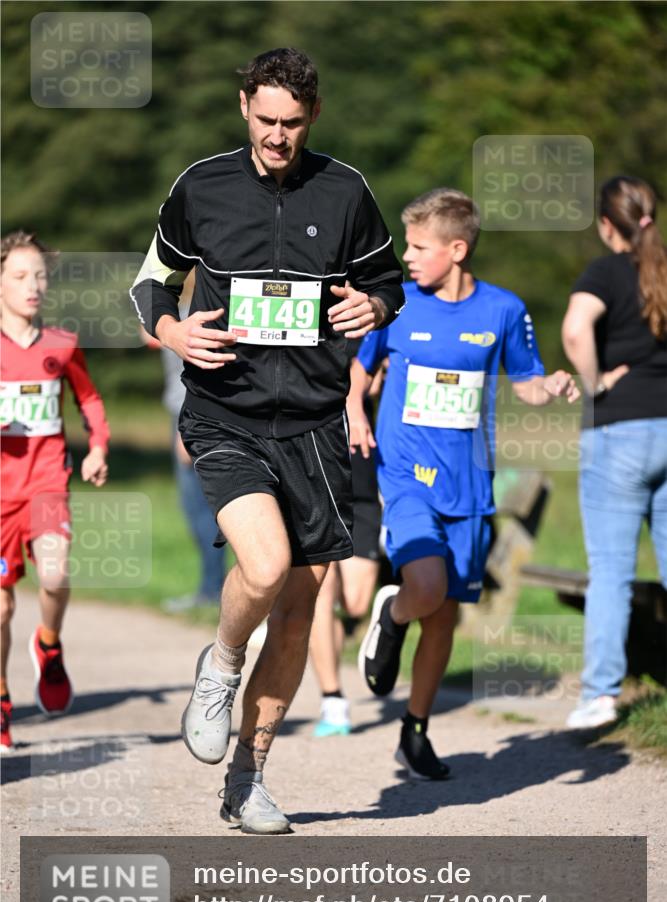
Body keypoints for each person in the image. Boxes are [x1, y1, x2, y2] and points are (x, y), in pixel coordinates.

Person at [130, 48, 404, 832]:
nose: (277, 137)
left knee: (296, 612)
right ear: (243, 105)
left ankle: (247, 777)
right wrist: (171, 328)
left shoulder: (345, 190)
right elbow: (149, 281)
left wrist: (374, 310)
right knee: (267, 563)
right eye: (264, 119)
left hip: (315, 425)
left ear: (311, 116)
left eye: (291, 123)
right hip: (225, 412)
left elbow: (386, 282)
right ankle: (219, 664)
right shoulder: (202, 185)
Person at [350, 188, 579, 779]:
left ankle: (415, 730)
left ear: (457, 249)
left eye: (419, 245)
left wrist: (549, 384)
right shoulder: (395, 303)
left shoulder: (502, 309)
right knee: (423, 586)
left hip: (471, 485)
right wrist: (354, 409)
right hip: (405, 475)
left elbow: (524, 379)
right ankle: (393, 615)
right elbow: (361, 368)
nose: (407, 255)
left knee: (446, 618)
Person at [561, 175, 667, 729]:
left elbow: (576, 328)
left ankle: (601, 695)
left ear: (608, 224)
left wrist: (596, 382)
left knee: (610, 571)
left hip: (619, 432)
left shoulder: (604, 272)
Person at [1, 231, 109, 753]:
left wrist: (98, 448)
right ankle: (1, 700)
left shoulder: (61, 343)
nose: (32, 286)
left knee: (55, 573)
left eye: (39, 275)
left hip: (46, 483)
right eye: (20, 276)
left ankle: (48, 644)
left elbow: (88, 400)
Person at [140, 272, 227, 612]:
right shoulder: (178, 311)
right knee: (201, 510)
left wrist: (184, 429)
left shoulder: (191, 313)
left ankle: (211, 589)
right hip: (185, 416)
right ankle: (212, 587)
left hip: (188, 418)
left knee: (200, 510)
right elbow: (145, 332)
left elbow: (190, 377)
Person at [308, 356, 383, 737]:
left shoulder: (376, 326)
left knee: (355, 603)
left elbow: (379, 388)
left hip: (361, 476)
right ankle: (332, 698)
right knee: (321, 592)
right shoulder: (307, 324)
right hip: (312, 472)